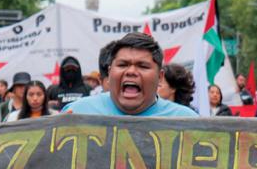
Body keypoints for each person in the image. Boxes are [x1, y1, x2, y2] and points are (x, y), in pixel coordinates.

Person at [63, 33, 198, 117]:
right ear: (109, 73)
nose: (131, 71)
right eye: (123, 65)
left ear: (160, 77)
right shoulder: (76, 113)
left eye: (143, 66)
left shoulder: (187, 123)